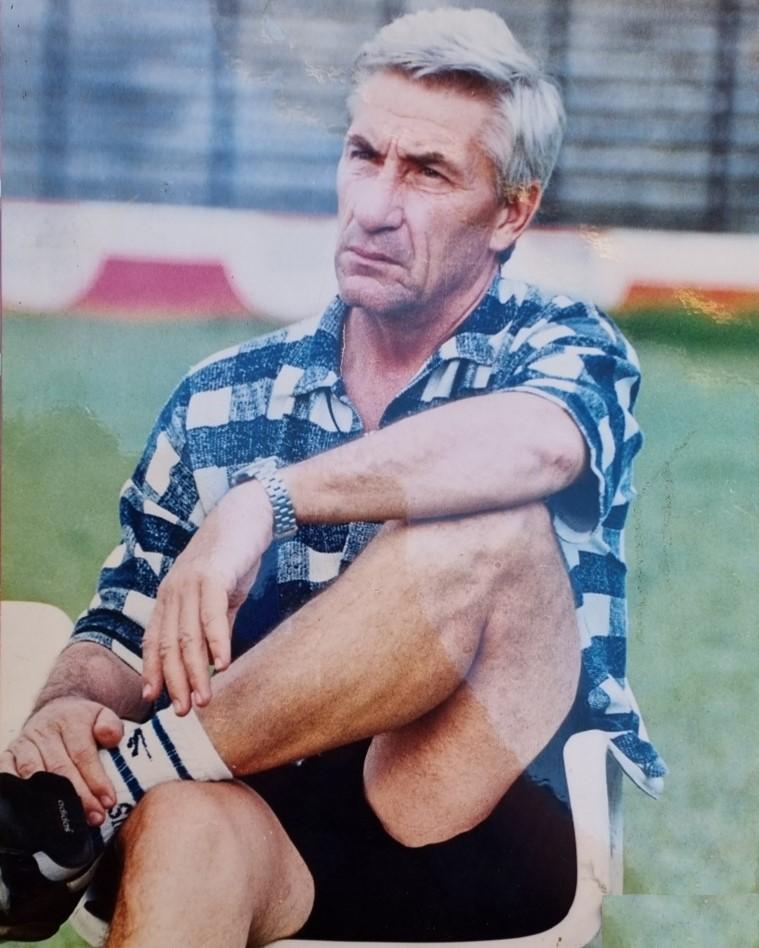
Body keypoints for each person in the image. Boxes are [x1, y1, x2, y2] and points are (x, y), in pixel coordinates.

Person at [0, 8, 665, 946]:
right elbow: (126, 620)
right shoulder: (221, 394)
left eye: (427, 172)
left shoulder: (562, 348)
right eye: (363, 156)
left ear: (511, 212)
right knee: (184, 827)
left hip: (471, 812)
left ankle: (122, 786)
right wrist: (69, 714)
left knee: (489, 521)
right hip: (261, 815)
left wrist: (262, 505)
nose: (376, 205)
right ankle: (76, 810)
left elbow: (541, 447)